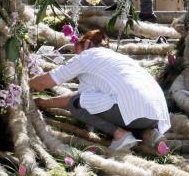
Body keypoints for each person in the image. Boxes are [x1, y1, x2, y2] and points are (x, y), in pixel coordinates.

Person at [30, 29, 171, 152]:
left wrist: (25, 84)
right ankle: (150, 135)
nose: (74, 53)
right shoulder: (119, 58)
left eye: (76, 47)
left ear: (86, 44)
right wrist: (44, 103)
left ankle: (120, 135)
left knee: (76, 104)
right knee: (120, 109)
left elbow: (46, 83)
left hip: (130, 109)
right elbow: (84, 96)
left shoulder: (87, 55)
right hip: (155, 113)